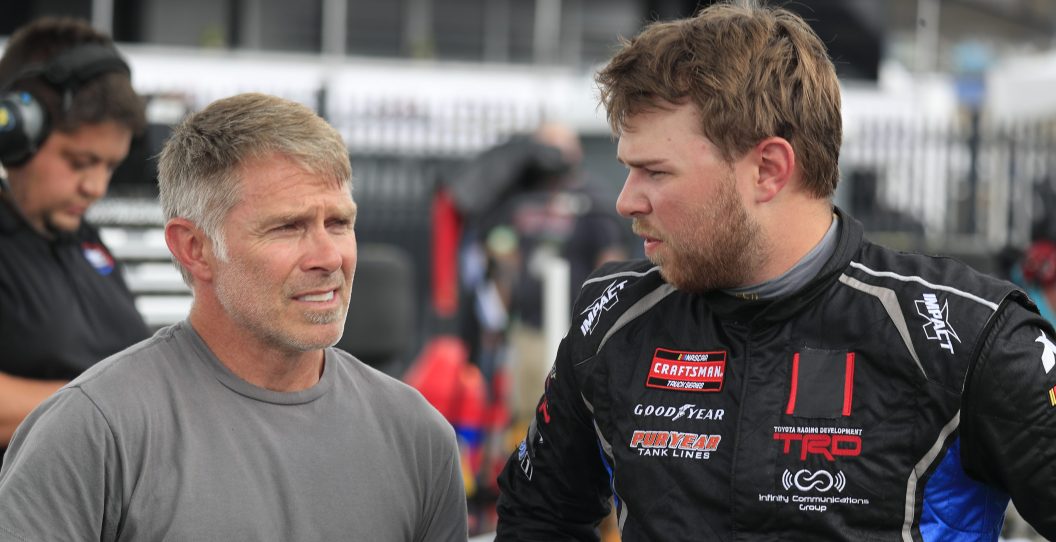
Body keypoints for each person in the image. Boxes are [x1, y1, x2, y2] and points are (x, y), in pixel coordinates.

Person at [495, 2, 1056, 540]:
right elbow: (537, 519)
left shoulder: (963, 334)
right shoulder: (612, 321)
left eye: (654, 173)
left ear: (768, 169)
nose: (625, 201)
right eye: (627, 169)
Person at [0, 93, 468, 541]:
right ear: (194, 248)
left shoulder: (419, 438)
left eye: (339, 223)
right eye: (288, 227)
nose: (329, 257)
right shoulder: (92, 431)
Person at [0, 17, 150, 460]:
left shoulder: (85, 244)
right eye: (80, 161)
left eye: (108, 166)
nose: (95, 188)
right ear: (15, 130)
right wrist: (116, 404)